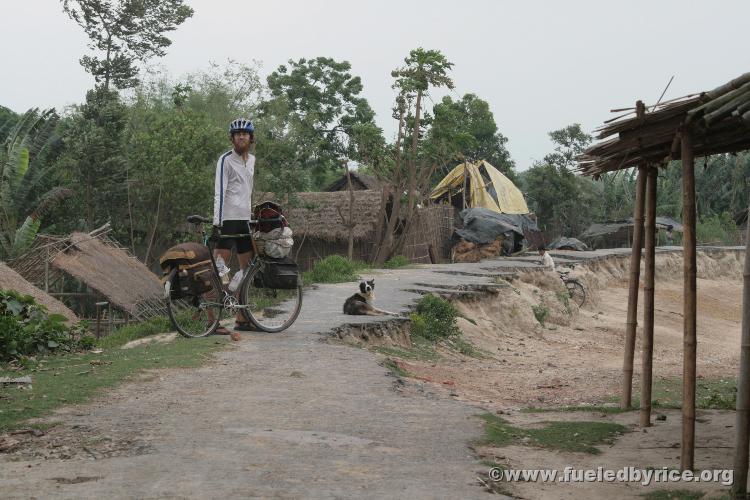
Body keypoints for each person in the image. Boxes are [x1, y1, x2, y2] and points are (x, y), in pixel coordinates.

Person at [211, 118, 256, 334]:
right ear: (232, 138)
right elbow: (219, 192)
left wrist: (252, 217)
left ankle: (241, 318)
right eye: (237, 134)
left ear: (251, 138)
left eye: (245, 134)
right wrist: (217, 222)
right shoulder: (225, 160)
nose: (241, 136)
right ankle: (212, 321)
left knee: (246, 271)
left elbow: (247, 192)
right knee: (219, 271)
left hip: (244, 222)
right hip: (227, 221)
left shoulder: (253, 160)